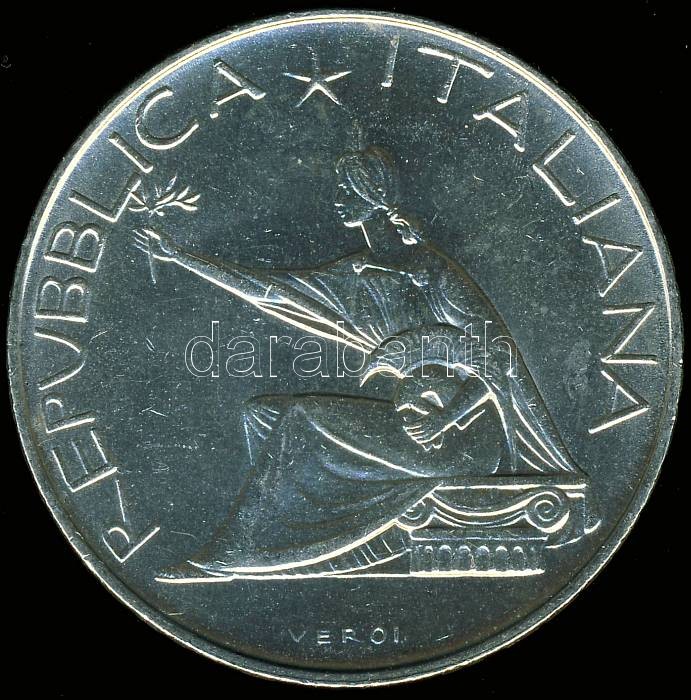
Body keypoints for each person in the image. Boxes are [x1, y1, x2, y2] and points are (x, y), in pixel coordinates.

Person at [133, 145, 585, 580]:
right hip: (412, 417)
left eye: (347, 190)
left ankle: (231, 555)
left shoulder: (432, 273)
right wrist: (182, 257)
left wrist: (444, 418)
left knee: (303, 414)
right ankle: (289, 545)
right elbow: (271, 292)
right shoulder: (353, 275)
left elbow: (496, 362)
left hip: (460, 434)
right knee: (263, 415)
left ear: (373, 197)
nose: (337, 199)